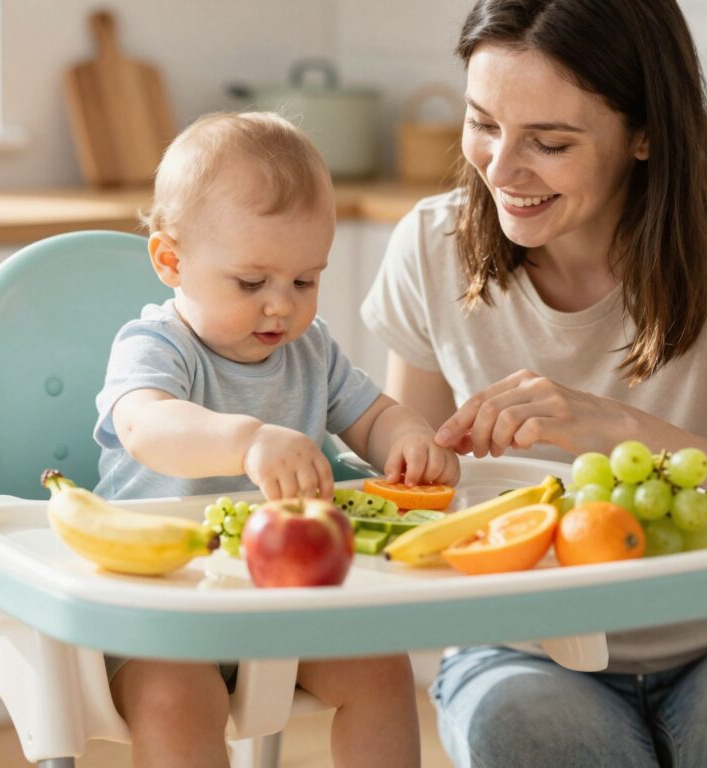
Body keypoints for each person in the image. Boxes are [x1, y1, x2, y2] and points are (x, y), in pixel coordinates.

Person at [361, 0, 707, 766]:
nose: (501, 168)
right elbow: (412, 494)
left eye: (550, 142)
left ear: (645, 131)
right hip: (524, 648)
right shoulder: (432, 246)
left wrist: (620, 430)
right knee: (531, 733)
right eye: (482, 123)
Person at [93, 111, 458, 768]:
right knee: (177, 705)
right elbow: (145, 426)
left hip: (287, 602)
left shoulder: (310, 351)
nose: (282, 305)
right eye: (251, 282)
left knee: (380, 670)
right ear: (171, 261)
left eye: (304, 280)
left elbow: (371, 415)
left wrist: (409, 438)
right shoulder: (156, 346)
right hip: (163, 611)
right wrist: (248, 441)